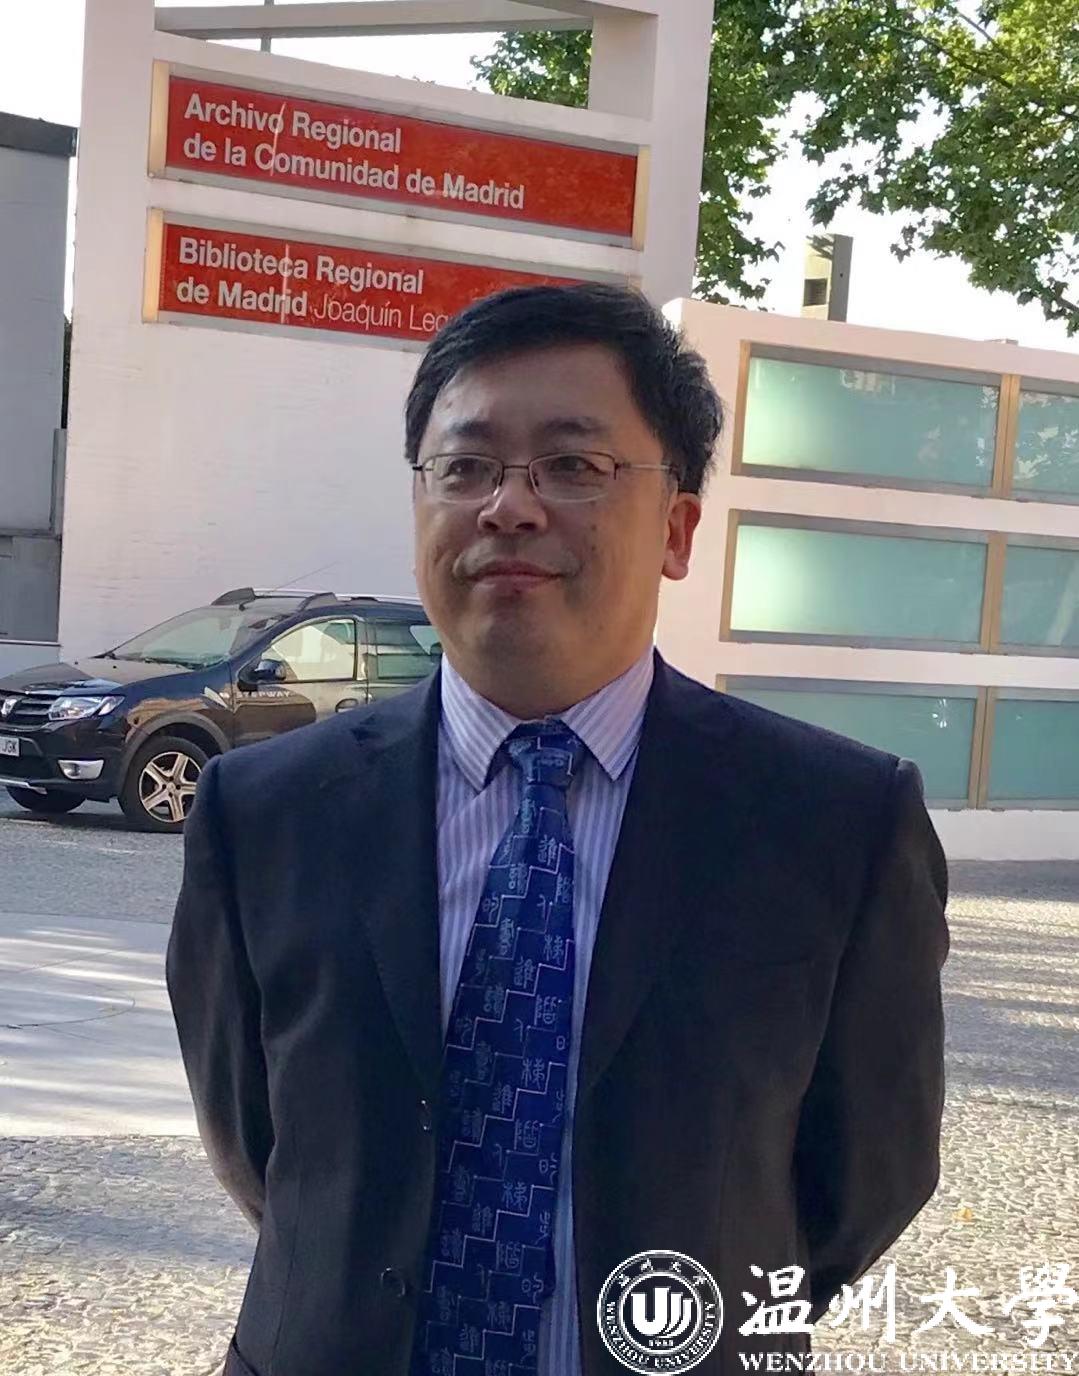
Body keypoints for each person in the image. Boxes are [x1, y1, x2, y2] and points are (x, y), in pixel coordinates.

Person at [167, 283, 949, 1376]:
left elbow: (864, 1177)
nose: (508, 506)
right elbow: (260, 1147)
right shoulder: (263, 813)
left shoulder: (836, 822)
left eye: (572, 465)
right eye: (465, 466)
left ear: (676, 527)